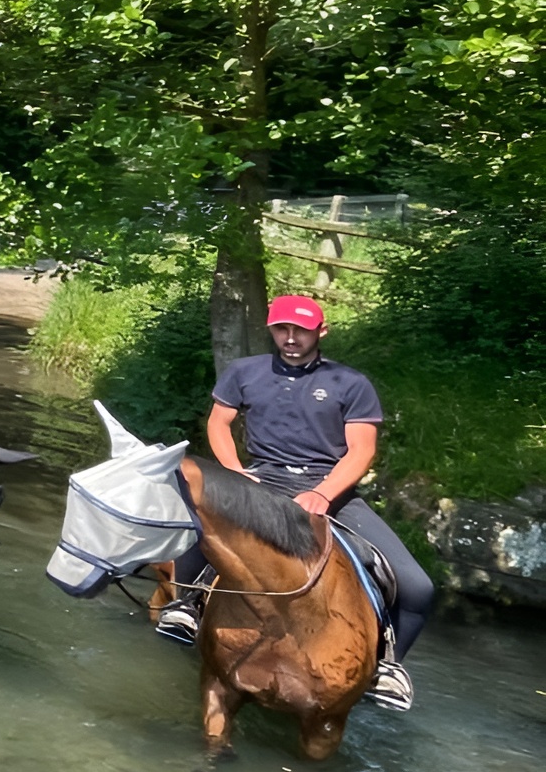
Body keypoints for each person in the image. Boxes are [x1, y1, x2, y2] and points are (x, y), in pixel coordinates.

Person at [155, 295, 433, 711]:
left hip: (329, 488)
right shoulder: (244, 372)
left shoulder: (350, 383)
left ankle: (386, 668)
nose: (290, 338)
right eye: (281, 329)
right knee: (200, 522)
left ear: (321, 332)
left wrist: (323, 492)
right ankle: (185, 605)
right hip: (260, 479)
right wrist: (233, 469)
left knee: (418, 586)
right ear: (271, 329)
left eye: (300, 330)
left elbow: (360, 451)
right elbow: (219, 422)